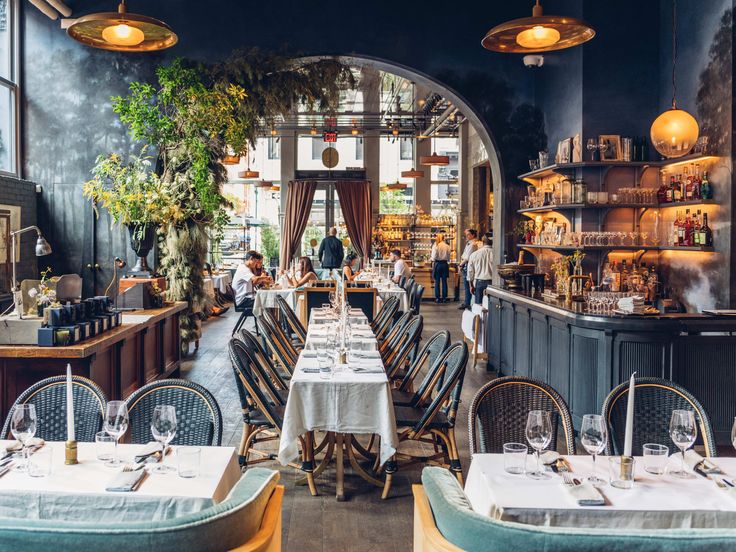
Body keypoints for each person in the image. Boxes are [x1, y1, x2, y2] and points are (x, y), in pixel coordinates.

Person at [467, 234, 493, 305]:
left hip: (479, 282)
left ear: (483, 242)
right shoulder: (496, 254)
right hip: (493, 283)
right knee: (491, 306)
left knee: (478, 306)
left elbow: (470, 272)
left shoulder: (474, 254)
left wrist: (471, 285)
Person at [458, 228, 480, 310]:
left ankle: (467, 303)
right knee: (467, 285)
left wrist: (460, 265)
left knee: (468, 285)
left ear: (473, 235)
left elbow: (467, 257)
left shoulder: (472, 244)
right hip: (466, 264)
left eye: (468, 235)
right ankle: (467, 302)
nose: (466, 236)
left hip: (467, 265)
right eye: (466, 235)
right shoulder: (469, 243)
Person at [430, 233, 452, 303]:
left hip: (438, 264)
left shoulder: (436, 245)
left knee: (437, 282)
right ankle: (445, 298)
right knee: (444, 282)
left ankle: (437, 298)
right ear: (443, 238)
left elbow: (433, 257)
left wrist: (432, 259)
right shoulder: (447, 246)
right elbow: (449, 258)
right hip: (445, 264)